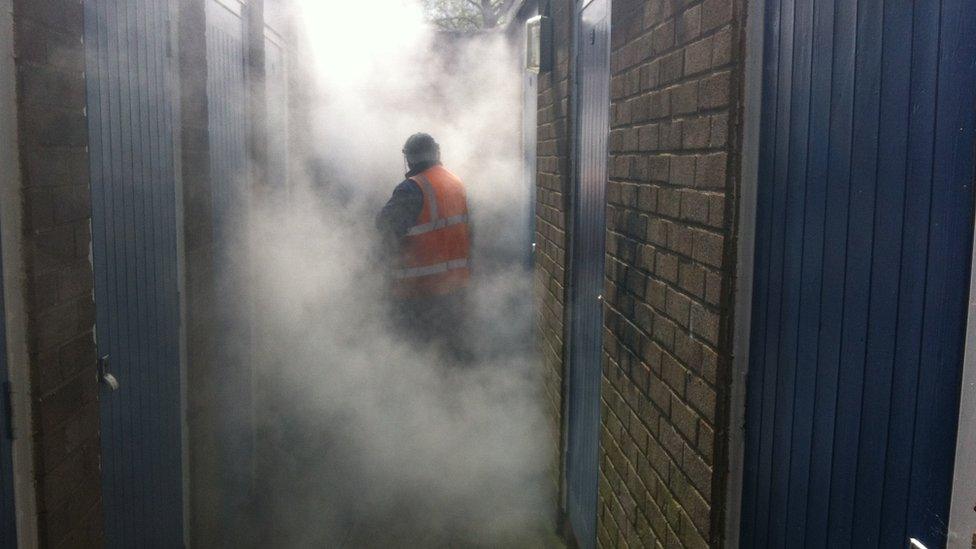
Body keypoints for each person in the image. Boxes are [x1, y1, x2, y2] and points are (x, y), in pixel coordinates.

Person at [376, 133, 472, 361]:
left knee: (418, 357)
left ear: (409, 159)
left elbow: (386, 225)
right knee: (450, 357)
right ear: (436, 152)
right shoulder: (455, 182)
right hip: (455, 291)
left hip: (420, 295)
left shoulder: (412, 188)